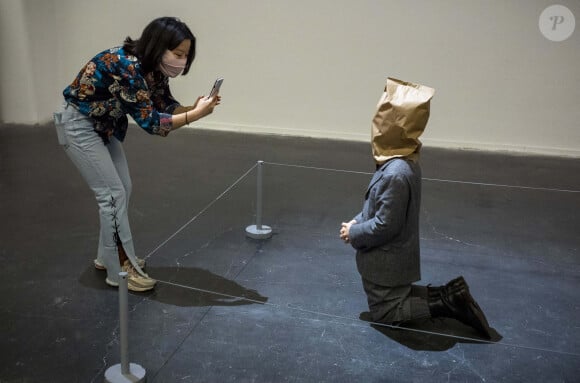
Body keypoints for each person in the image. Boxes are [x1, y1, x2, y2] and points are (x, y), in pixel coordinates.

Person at [54, 17, 220, 292]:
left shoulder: (153, 69)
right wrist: (194, 116)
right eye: (178, 54)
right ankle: (120, 269)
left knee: (121, 189)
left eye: (185, 55)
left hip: (103, 126)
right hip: (79, 125)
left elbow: (164, 105)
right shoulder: (127, 66)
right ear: (159, 46)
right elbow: (153, 124)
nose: (182, 61)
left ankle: (107, 257)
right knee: (112, 194)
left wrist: (194, 108)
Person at [339, 78, 492, 339]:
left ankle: (446, 303)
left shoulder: (396, 173)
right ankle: (450, 293)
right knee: (396, 297)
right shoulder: (405, 162)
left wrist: (354, 233)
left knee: (386, 312)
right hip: (394, 258)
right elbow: (380, 208)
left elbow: (386, 224)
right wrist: (356, 222)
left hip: (387, 260)